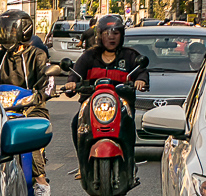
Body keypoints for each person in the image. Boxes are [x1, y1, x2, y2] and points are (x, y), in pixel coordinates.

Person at [0, 10, 53, 196]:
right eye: (3, 30)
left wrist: (40, 96)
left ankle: (41, 182)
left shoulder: (37, 55)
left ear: (25, 31)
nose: (6, 35)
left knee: (30, 137)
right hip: (0, 112)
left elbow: (48, 82)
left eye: (11, 31)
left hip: (31, 110)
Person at [64, 14, 149, 150]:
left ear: (121, 35)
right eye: (107, 33)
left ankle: (129, 162)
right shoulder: (89, 56)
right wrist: (72, 83)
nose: (111, 37)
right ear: (99, 35)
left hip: (122, 106)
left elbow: (141, 71)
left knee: (129, 126)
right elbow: (76, 73)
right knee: (76, 123)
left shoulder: (130, 55)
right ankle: (83, 165)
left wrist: (141, 80)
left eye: (116, 33)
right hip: (91, 104)